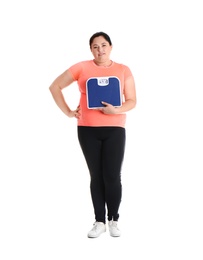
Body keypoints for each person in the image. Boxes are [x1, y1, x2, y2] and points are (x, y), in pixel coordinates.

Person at [49, 31, 137, 238]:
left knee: (112, 176)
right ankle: (99, 221)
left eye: (104, 45)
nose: (100, 50)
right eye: (96, 46)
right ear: (91, 49)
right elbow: (55, 87)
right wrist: (69, 112)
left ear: (111, 47)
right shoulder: (81, 67)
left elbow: (132, 100)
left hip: (115, 129)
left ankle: (113, 219)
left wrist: (116, 110)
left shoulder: (123, 70)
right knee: (96, 176)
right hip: (87, 129)